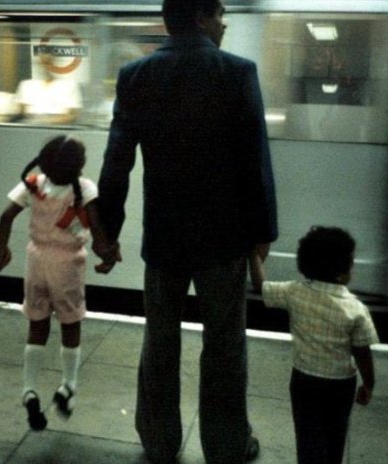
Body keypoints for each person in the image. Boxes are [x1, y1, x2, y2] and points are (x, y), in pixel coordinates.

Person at [94, 0, 277, 462]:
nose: (225, 22)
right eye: (219, 14)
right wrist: (263, 230)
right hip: (224, 239)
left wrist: (108, 231)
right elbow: (255, 160)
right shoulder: (237, 72)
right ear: (200, 17)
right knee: (224, 344)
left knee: (160, 340)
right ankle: (226, 444)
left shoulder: (136, 75)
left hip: (164, 236)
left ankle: (159, 440)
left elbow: (117, 162)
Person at [0, 135, 114, 431]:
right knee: (70, 325)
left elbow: (6, 216)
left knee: (37, 325)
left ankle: (29, 389)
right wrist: (107, 255)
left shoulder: (33, 183)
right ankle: (68, 386)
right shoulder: (84, 188)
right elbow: (96, 229)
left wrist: (0, 250)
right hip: (68, 265)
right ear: (79, 166)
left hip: (36, 262)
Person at [249, 226, 378, 464]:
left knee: (307, 437)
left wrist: (254, 254)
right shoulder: (356, 310)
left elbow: (261, 286)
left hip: (304, 382)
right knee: (335, 437)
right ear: (342, 273)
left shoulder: (294, 292)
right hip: (341, 386)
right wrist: (369, 384)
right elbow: (362, 352)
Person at [13, 53, 83, 125]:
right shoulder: (26, 85)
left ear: (56, 64)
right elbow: (21, 112)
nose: (45, 67)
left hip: (58, 126)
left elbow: (72, 115)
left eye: (49, 63)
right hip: (30, 126)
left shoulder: (69, 85)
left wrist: (46, 121)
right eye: (43, 63)